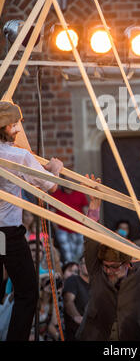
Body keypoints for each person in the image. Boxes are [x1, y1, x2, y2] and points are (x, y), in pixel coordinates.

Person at [76, 183, 140, 341]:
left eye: (114, 267)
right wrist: (94, 205)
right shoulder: (96, 270)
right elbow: (90, 239)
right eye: (106, 266)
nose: (108, 271)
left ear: (127, 264)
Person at [0, 101, 63, 341]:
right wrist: (55, 169)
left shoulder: (18, 156)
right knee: (27, 293)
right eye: (14, 125)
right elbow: (51, 186)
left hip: (0, 236)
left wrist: (41, 168)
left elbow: (28, 175)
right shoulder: (18, 155)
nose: (17, 129)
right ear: (5, 127)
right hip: (7, 233)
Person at [52, 185, 88, 263]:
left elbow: (85, 211)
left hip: (79, 229)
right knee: (67, 255)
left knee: (79, 254)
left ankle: (77, 270)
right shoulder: (56, 194)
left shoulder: (80, 193)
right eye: (66, 179)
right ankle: (69, 271)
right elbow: (52, 212)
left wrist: (85, 227)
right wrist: (57, 229)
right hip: (62, 229)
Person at [63, 255, 90, 341]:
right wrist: (77, 317)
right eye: (85, 263)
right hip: (75, 334)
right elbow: (68, 301)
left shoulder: (96, 285)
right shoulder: (73, 280)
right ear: (79, 267)